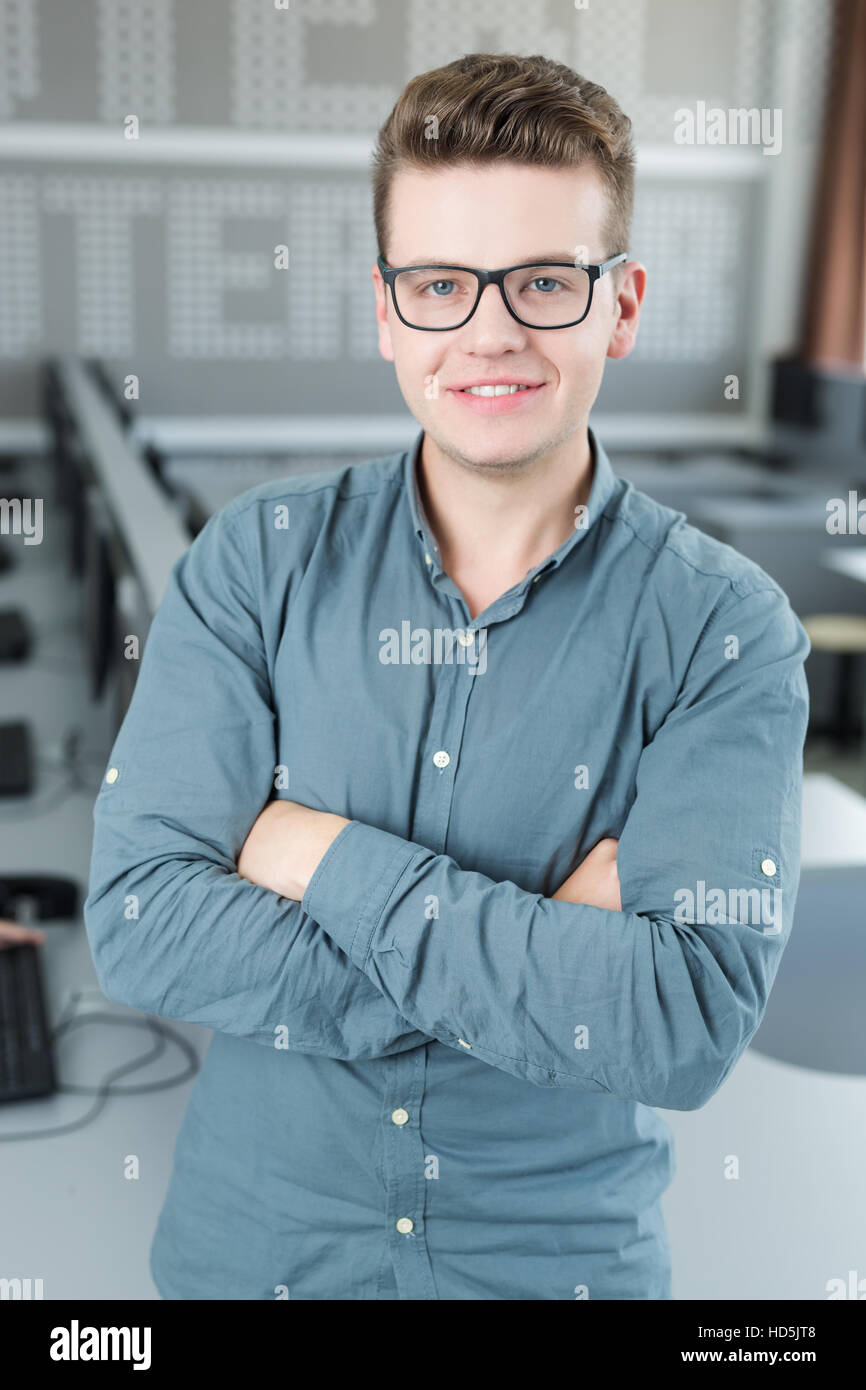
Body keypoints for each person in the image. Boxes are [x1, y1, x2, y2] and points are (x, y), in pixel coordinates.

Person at [84, 52, 809, 1300]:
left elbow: (680, 1023)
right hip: (255, 1264)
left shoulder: (723, 629)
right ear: (385, 310)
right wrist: (538, 950)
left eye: (544, 282)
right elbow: (143, 929)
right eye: (437, 284)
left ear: (621, 306)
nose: (488, 332)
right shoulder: (255, 563)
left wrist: (318, 855)